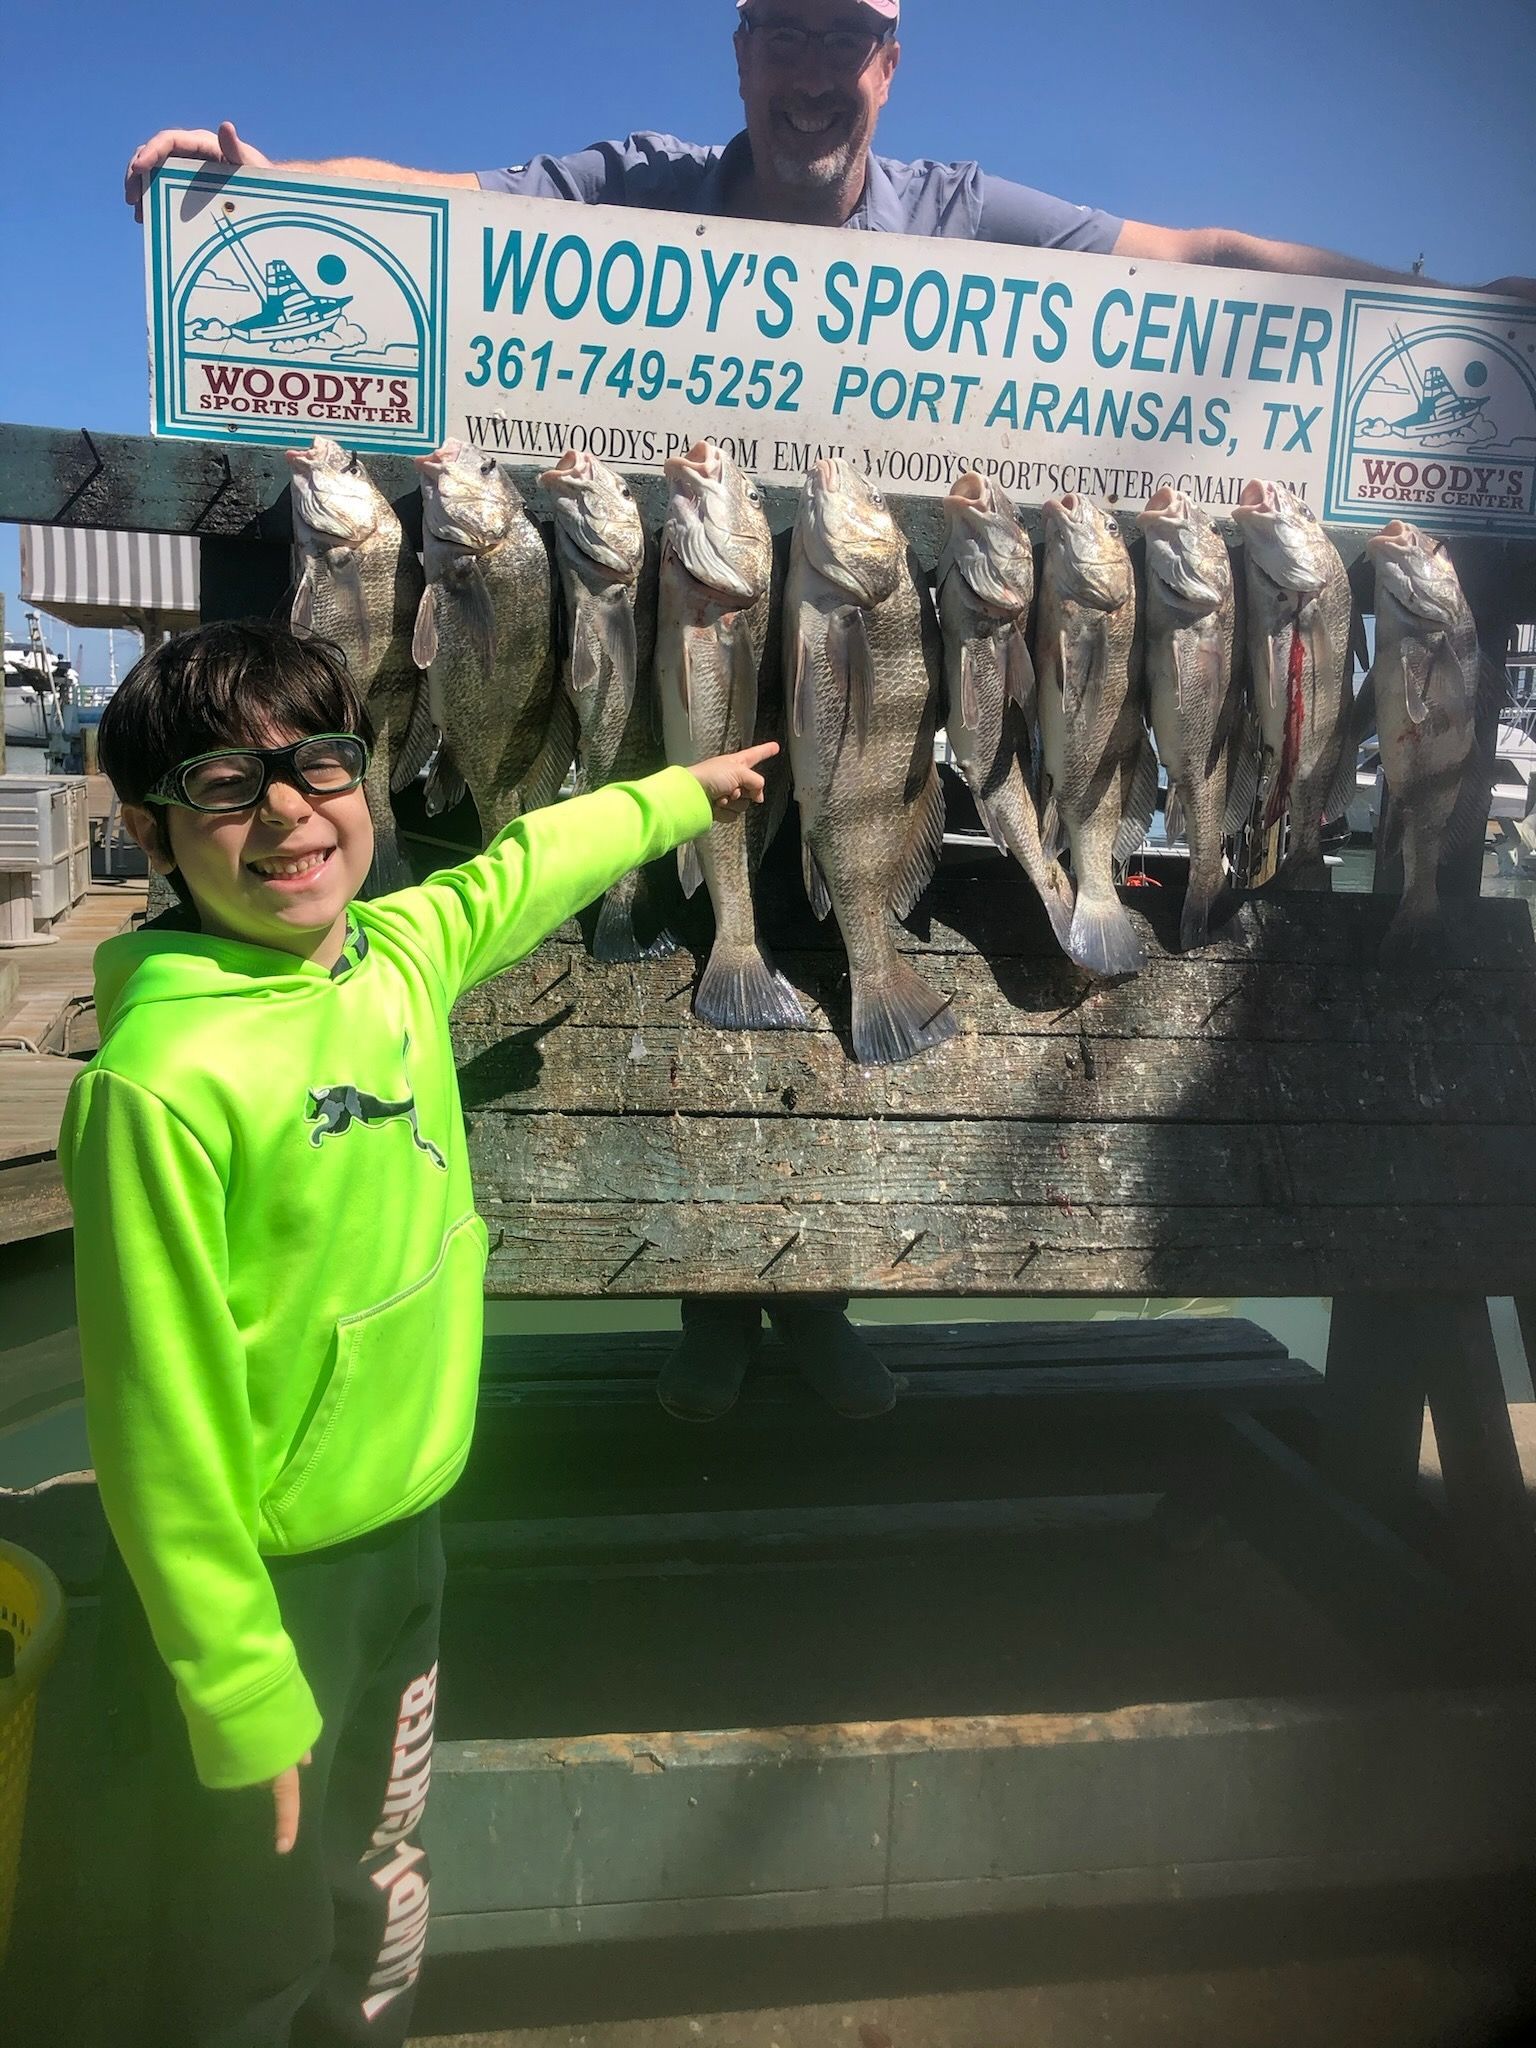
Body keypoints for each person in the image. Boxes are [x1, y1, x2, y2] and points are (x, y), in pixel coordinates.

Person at [121, 0, 1535, 1426]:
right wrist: (275, 184)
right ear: (740, 52)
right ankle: (720, 1300)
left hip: (878, 649)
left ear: (890, 65)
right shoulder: (639, 189)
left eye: (845, 36)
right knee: (687, 914)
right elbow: (443, 206)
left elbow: (1214, 260)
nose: (814, 70)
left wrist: (1446, 311)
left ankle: (813, 1305)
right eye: (785, 32)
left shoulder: (961, 212)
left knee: (833, 884)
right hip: (697, 624)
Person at [61, 619, 773, 2046]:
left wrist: (682, 795)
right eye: (222, 785)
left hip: (408, 1534)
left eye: (318, 764)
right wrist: (239, 1684)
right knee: (248, 1924)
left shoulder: (397, 949)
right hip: (270, 1585)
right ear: (150, 832)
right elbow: (157, 1425)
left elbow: (527, 866)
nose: (284, 812)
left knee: (379, 1869)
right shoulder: (157, 1083)